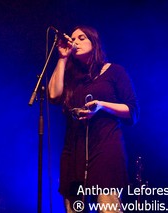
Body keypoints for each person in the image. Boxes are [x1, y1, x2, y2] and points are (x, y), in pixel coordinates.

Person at [48, 26, 139, 212]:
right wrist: (62, 58)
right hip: (74, 153)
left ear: (94, 42)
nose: (75, 42)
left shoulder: (114, 71)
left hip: (106, 149)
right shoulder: (72, 78)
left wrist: (102, 105)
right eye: (73, 39)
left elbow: (132, 111)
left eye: (81, 38)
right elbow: (53, 95)